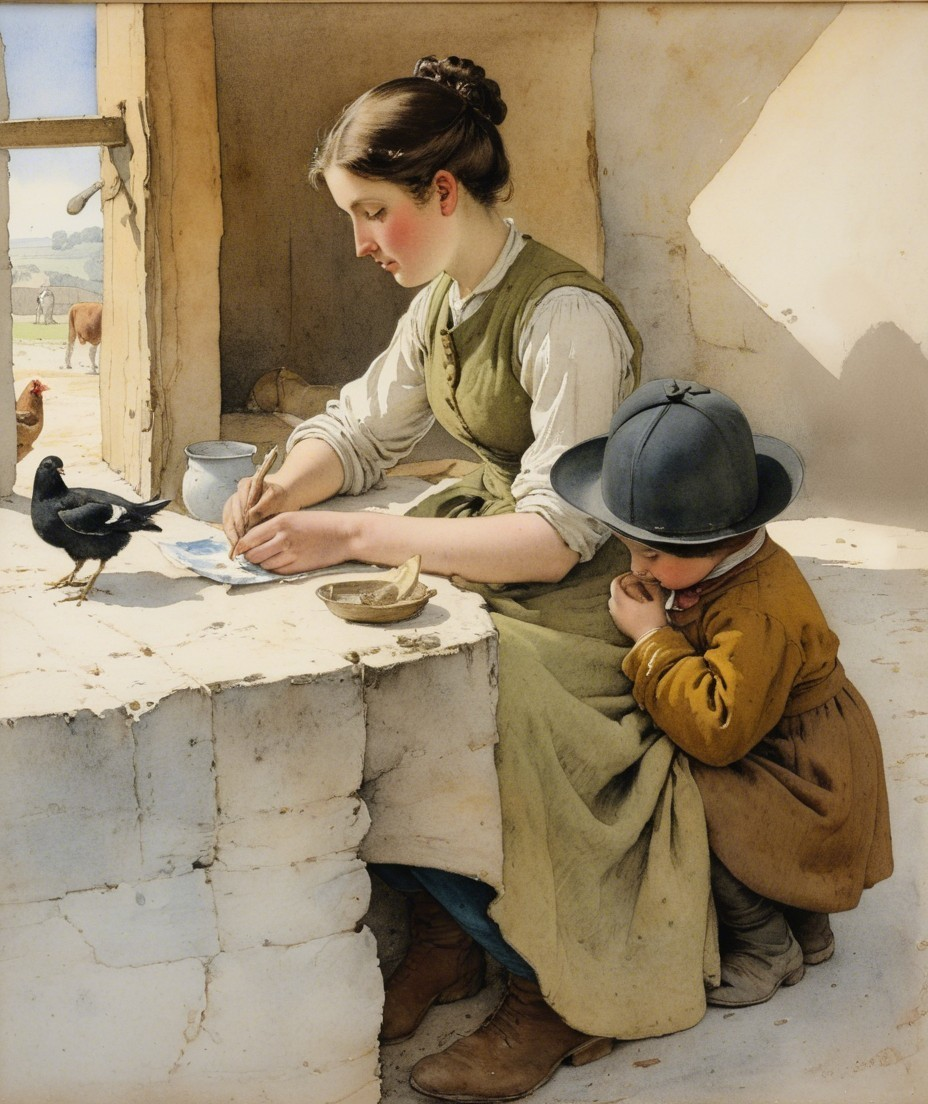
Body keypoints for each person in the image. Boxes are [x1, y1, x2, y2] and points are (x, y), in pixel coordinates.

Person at [224, 57, 718, 1103]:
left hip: (578, 579)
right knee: (375, 664)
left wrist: (354, 532)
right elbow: (362, 429)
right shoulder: (442, 299)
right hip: (481, 535)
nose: (359, 242)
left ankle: (551, 993)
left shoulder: (564, 316)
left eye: (371, 212)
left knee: (514, 700)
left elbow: (553, 536)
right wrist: (280, 490)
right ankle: (450, 936)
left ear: (441, 192)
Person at [552, 377, 894, 1010]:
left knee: (685, 800)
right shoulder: (727, 565)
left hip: (805, 774)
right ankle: (809, 930)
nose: (637, 569)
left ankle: (767, 948)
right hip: (793, 742)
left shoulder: (756, 610)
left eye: (653, 556)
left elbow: (717, 733)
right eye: (630, 549)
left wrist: (652, 637)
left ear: (716, 542)